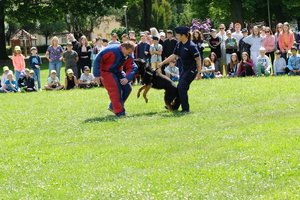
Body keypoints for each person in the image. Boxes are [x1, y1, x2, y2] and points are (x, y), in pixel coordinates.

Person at [158, 26, 202, 113]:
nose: (176, 36)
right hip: (184, 70)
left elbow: (198, 59)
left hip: (191, 70)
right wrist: (162, 63)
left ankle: (185, 109)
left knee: (182, 88)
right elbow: (173, 55)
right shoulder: (179, 44)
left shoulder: (191, 46)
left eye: (177, 35)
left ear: (184, 35)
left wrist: (199, 72)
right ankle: (174, 107)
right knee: (179, 88)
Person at [93, 41, 138, 117]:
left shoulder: (128, 55)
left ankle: (113, 106)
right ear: (123, 48)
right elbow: (98, 60)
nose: (130, 54)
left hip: (118, 71)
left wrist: (127, 78)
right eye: (129, 52)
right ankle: (119, 112)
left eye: (131, 52)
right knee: (115, 89)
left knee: (127, 88)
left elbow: (133, 67)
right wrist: (97, 75)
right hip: (105, 72)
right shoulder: (111, 50)